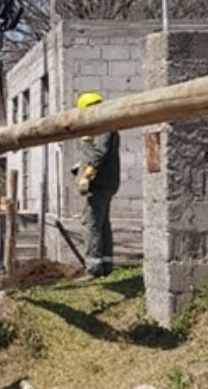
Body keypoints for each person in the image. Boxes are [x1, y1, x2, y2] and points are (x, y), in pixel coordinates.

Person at [75, 91, 120, 281]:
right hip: (106, 181)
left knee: (91, 224)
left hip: (98, 183)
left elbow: (100, 152)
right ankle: (106, 262)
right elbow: (99, 153)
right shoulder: (106, 126)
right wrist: (80, 166)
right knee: (102, 224)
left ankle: (93, 268)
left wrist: (87, 175)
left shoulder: (102, 125)